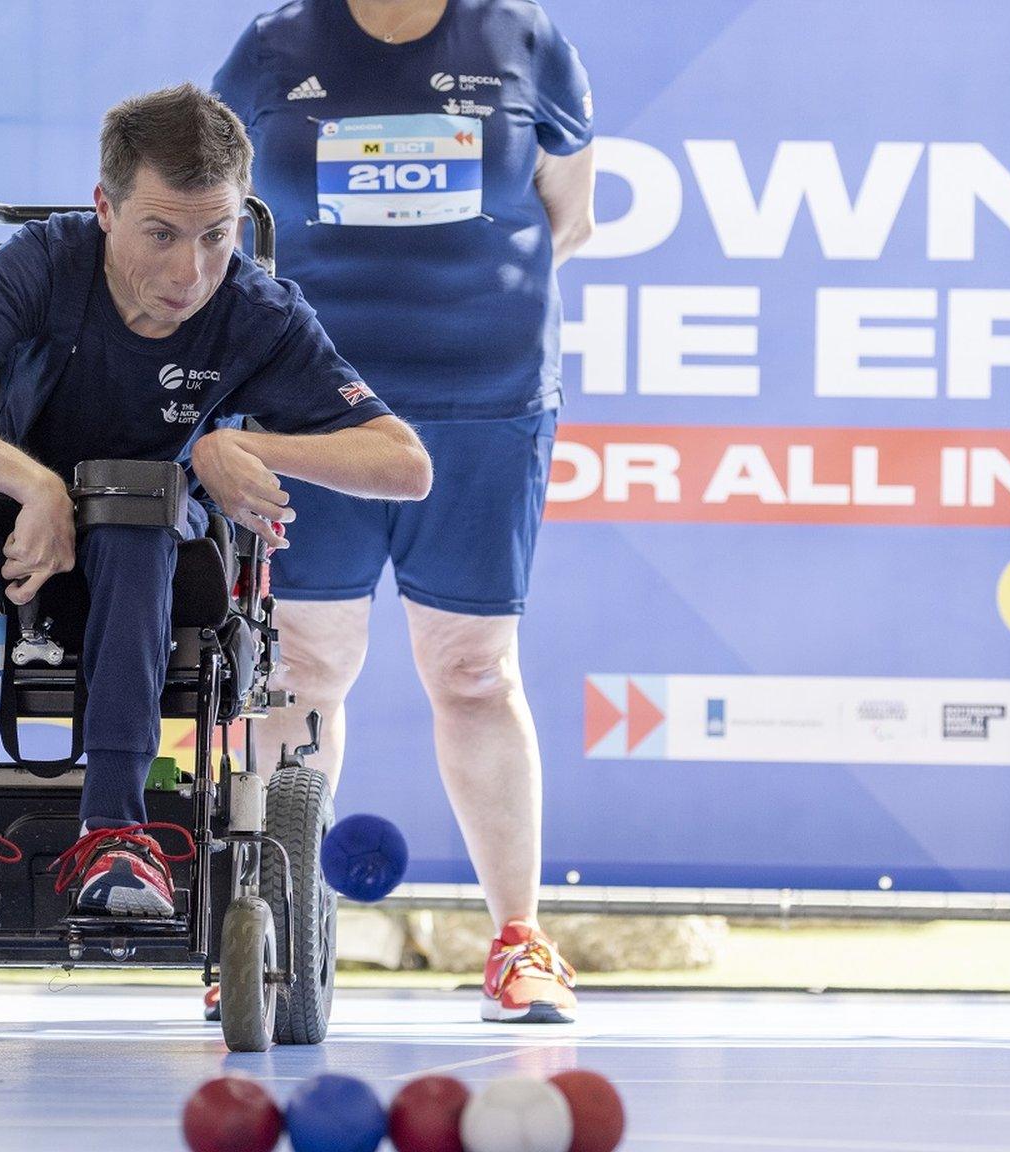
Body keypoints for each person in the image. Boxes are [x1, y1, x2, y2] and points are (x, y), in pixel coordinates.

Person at [0, 83, 432, 919]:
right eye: (160, 233)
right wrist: (34, 484)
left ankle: (115, 832)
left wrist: (241, 445)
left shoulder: (254, 313)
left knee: (135, 499)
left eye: (217, 235)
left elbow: (405, 464)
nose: (188, 272)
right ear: (105, 209)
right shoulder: (47, 262)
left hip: (145, 559)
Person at [214, 0, 597, 1022]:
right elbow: (222, 217)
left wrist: (461, 313)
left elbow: (569, 217)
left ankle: (517, 944)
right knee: (298, 668)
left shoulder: (523, 39)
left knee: (474, 671)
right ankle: (260, 937)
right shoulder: (270, 45)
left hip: (481, 409)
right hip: (308, 413)